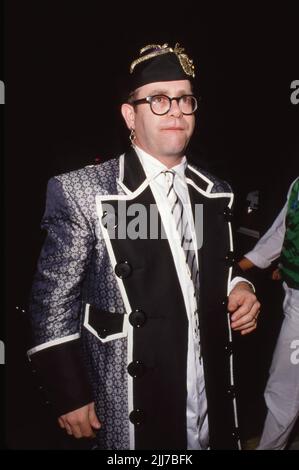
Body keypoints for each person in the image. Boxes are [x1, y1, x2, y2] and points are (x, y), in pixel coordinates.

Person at [28, 42, 260, 450]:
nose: (175, 110)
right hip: (131, 402)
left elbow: (205, 269)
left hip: (207, 395)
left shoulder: (214, 192)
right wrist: (70, 393)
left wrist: (238, 286)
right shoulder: (86, 191)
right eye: (158, 99)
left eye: (184, 99)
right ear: (129, 114)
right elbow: (52, 303)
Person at [239, 177, 299, 450]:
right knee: (283, 388)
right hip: (294, 296)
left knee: (284, 389)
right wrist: (238, 268)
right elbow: (283, 230)